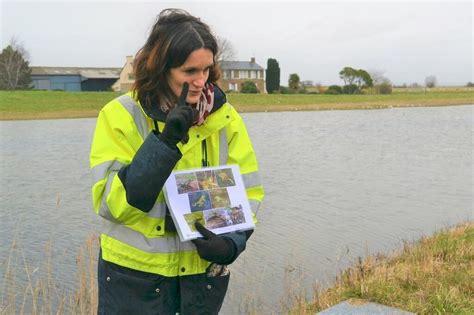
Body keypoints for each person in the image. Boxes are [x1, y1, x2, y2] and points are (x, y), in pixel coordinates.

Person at [89, 8, 264, 314]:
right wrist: (164, 143)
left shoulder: (226, 118)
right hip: (134, 280)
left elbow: (249, 192)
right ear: (161, 69)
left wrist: (233, 242)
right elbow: (111, 205)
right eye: (188, 72)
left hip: (200, 280)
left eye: (206, 69)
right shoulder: (120, 115)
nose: (200, 81)